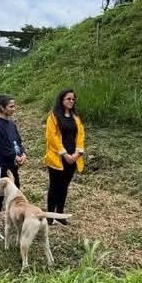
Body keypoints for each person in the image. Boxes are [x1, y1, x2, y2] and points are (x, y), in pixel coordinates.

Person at [0, 93, 27, 239]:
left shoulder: (12, 124)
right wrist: (14, 156)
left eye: (14, 106)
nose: (14, 109)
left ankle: (15, 223)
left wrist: (23, 154)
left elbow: (18, 142)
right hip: (1, 167)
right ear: (2, 107)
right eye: (11, 106)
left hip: (13, 166)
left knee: (16, 195)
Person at [44, 88, 84, 224]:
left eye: (73, 99)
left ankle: (60, 215)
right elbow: (52, 137)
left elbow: (80, 135)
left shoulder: (75, 117)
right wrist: (64, 153)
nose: (71, 101)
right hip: (58, 158)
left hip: (72, 157)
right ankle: (49, 216)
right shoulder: (53, 116)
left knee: (64, 186)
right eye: (68, 99)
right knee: (54, 186)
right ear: (62, 100)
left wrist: (77, 153)